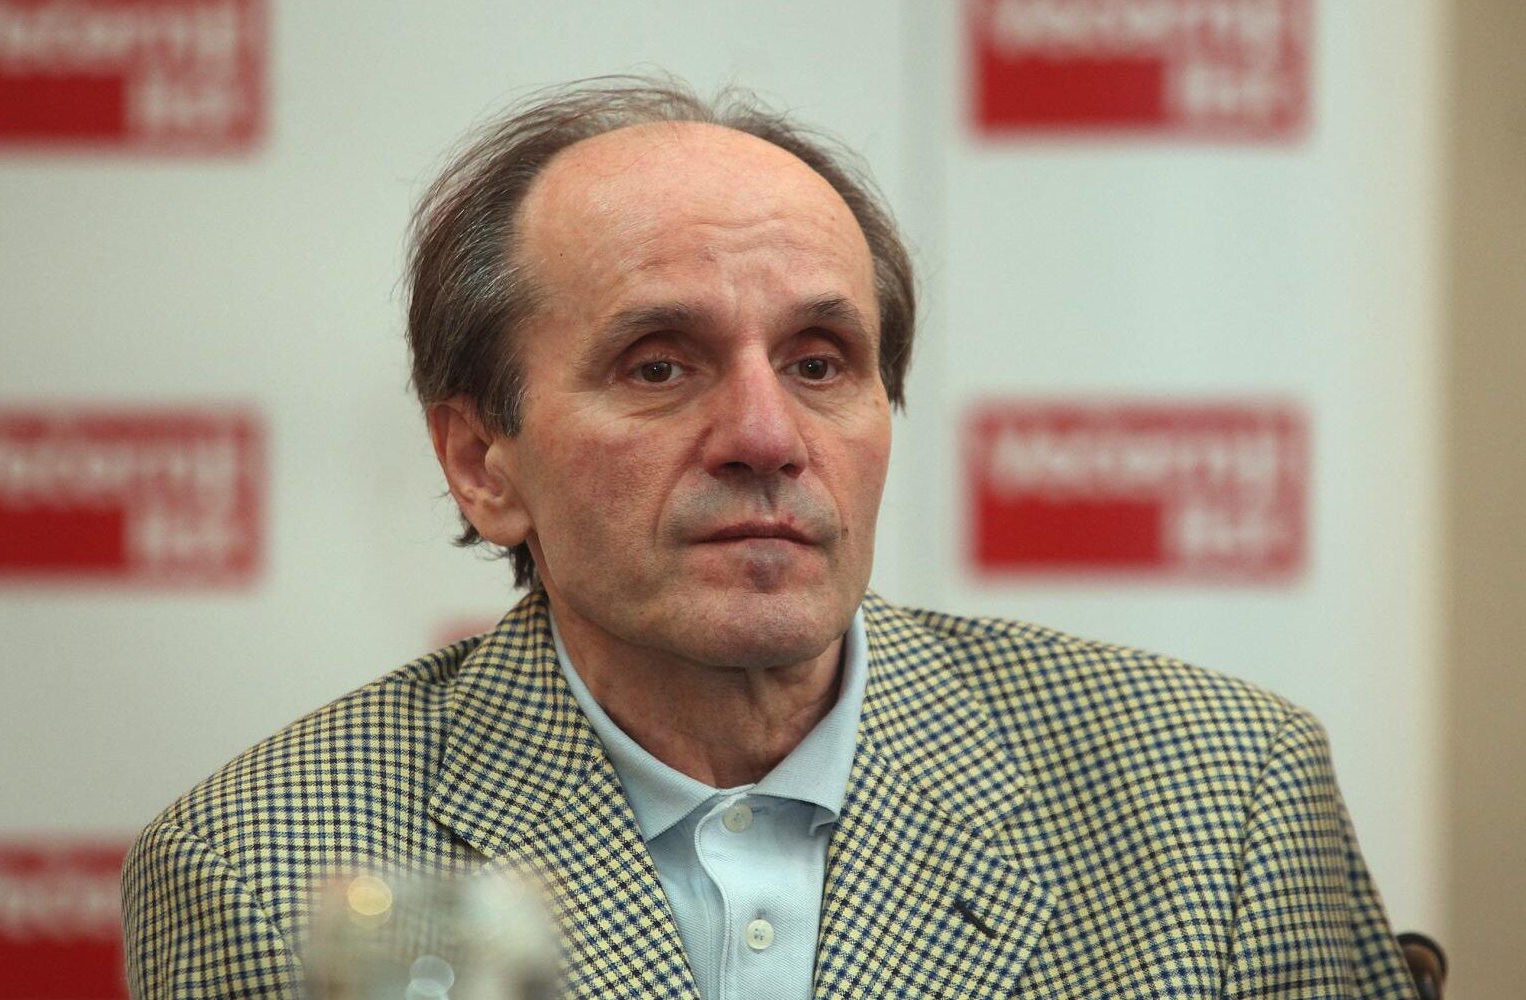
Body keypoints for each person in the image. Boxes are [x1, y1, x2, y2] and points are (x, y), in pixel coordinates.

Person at [122, 77, 1417, 999]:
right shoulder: (269, 870)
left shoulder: (1224, 799)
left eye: (818, 361)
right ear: (481, 462)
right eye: (659, 365)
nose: (764, 435)